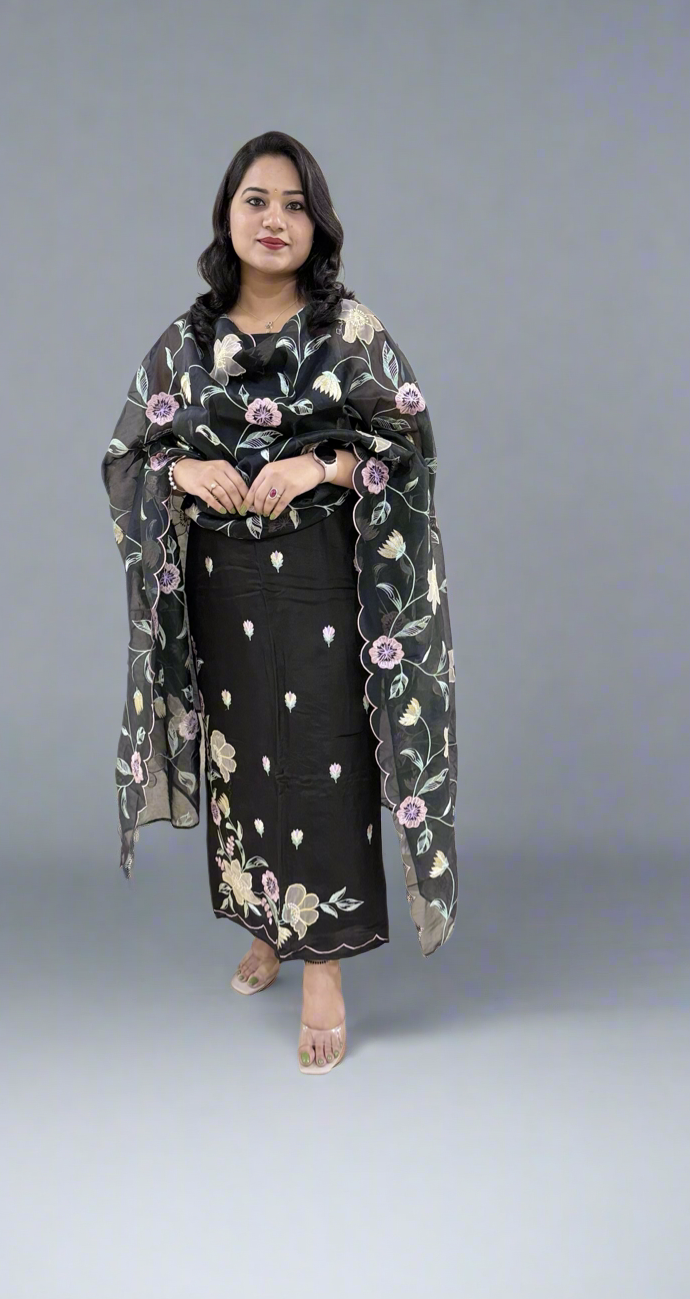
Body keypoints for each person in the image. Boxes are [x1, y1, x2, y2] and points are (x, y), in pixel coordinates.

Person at [101, 130, 459, 1075]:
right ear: (226, 216)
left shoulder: (349, 332)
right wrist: (184, 471)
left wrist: (321, 463)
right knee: (245, 755)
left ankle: (323, 967)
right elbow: (128, 456)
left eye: (295, 204)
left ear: (318, 224)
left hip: (321, 582)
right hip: (221, 587)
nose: (274, 219)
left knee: (320, 760)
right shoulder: (186, 343)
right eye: (255, 200)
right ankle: (268, 925)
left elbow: (408, 447)